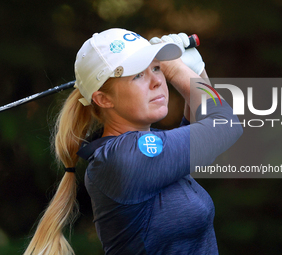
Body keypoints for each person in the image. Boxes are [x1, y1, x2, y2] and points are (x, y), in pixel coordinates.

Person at [24, 28, 243, 255]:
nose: (158, 80)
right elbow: (223, 126)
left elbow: (206, 136)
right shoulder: (121, 159)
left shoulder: (145, 145)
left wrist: (196, 72)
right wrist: (177, 68)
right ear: (104, 99)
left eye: (156, 68)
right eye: (138, 75)